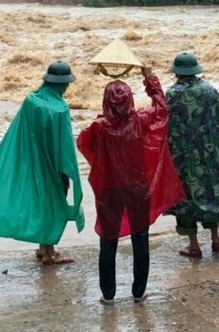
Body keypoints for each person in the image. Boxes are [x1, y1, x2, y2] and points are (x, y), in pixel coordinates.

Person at [77, 66, 185, 306]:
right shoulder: (142, 121)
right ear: (130, 101)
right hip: (138, 188)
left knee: (108, 240)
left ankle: (108, 294)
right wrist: (150, 79)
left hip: (109, 191)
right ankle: (138, 292)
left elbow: (83, 144)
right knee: (140, 237)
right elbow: (162, 109)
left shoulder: (98, 127)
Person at [0, 61, 84, 266]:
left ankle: (43, 248)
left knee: (40, 203)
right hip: (52, 166)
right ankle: (50, 254)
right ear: (62, 84)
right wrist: (68, 172)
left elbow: (18, 133)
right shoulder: (60, 109)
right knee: (53, 204)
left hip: (30, 164)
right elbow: (64, 146)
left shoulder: (31, 101)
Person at [165, 52, 219, 258]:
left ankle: (193, 245)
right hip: (208, 154)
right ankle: (216, 239)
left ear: (177, 73)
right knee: (210, 194)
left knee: (186, 199)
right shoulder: (209, 91)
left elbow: (165, 127)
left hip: (182, 158)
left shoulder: (172, 94)